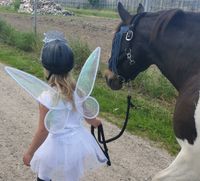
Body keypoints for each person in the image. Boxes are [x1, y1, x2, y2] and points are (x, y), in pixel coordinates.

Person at [22, 32, 108, 181]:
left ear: (46, 69)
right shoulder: (78, 92)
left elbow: (43, 130)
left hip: (54, 148)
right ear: (69, 68)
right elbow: (90, 118)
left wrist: (30, 152)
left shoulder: (47, 97)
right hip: (77, 147)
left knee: (44, 176)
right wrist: (97, 123)